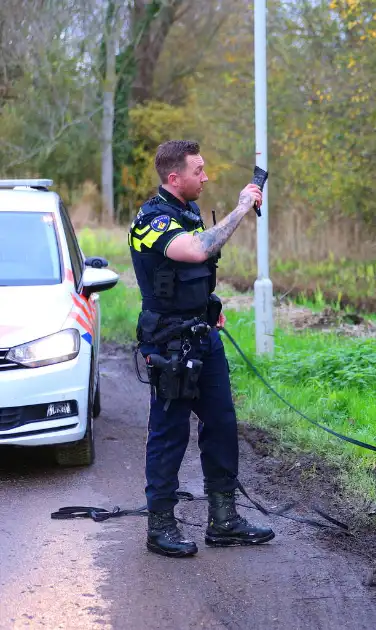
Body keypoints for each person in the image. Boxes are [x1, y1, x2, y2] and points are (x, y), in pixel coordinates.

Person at [128, 139, 274, 558]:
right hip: (169, 344)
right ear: (174, 177)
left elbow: (191, 275)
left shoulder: (188, 211)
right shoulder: (151, 221)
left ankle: (224, 520)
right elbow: (196, 250)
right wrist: (243, 206)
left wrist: (210, 308)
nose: (205, 177)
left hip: (202, 336)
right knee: (169, 433)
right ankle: (160, 526)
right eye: (198, 171)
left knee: (222, 426)